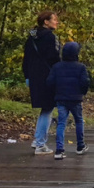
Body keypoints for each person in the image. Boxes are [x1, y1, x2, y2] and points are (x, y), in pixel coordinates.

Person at [23, 11, 61, 155]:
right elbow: (55, 58)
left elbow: (26, 58)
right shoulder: (50, 37)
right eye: (54, 19)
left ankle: (37, 140)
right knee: (48, 108)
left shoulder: (32, 36)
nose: (56, 22)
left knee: (45, 108)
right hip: (48, 76)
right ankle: (40, 144)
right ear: (46, 21)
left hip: (34, 77)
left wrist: (27, 76)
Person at [46, 42, 90, 160]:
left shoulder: (57, 67)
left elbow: (50, 82)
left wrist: (56, 92)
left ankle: (59, 150)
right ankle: (80, 146)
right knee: (79, 121)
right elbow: (85, 82)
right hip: (76, 99)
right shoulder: (81, 67)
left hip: (61, 98)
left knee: (61, 123)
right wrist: (82, 92)